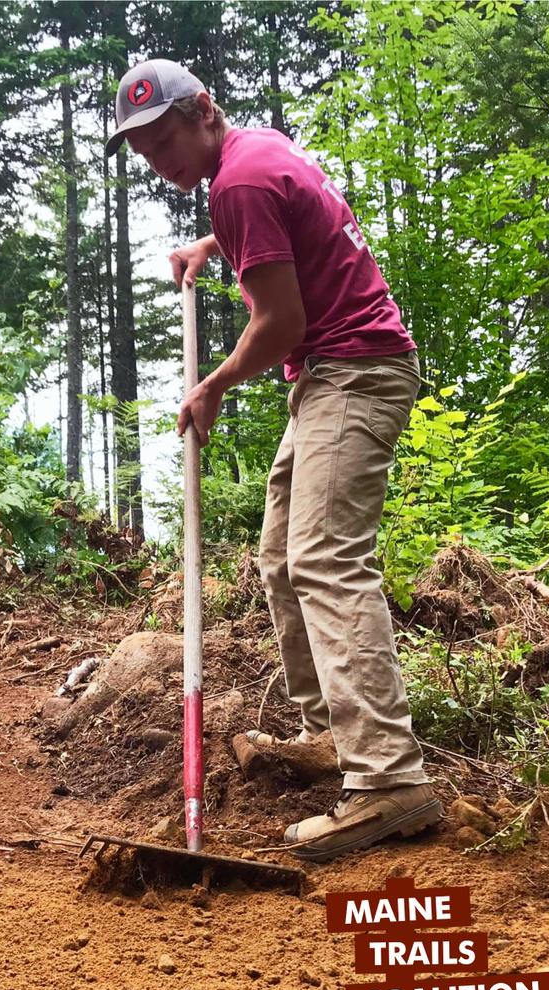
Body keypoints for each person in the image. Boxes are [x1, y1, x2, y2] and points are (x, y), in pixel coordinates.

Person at [106, 60, 442, 862]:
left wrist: (214, 384)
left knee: (325, 558)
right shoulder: (257, 153)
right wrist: (208, 244)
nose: (160, 162)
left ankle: (390, 779)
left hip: (352, 371)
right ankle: (334, 731)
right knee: (281, 558)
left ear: (204, 111)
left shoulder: (239, 181)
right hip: (341, 372)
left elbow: (282, 322)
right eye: (145, 152)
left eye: (166, 140)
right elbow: (279, 213)